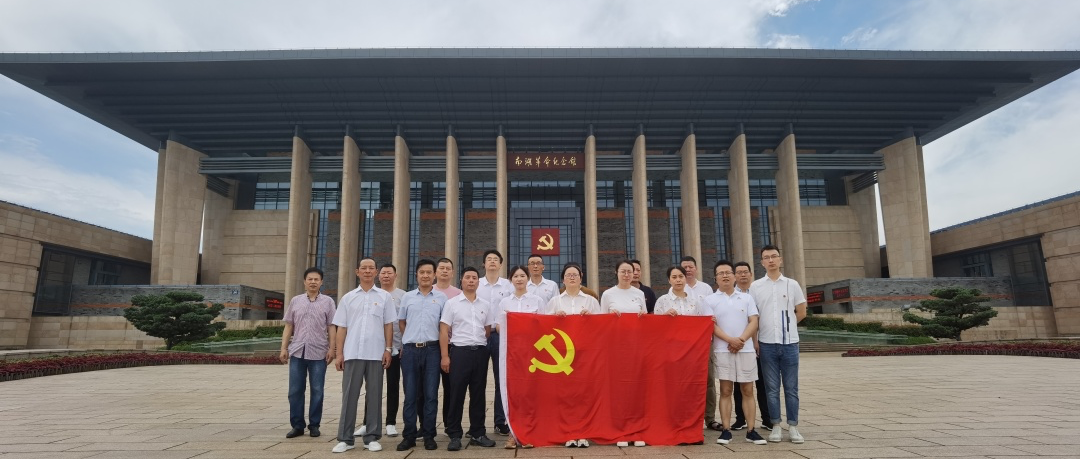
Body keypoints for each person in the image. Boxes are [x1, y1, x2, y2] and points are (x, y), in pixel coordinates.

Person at [332, 258, 396, 453]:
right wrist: (339, 353)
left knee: (374, 396)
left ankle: (372, 437)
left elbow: (388, 325)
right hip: (352, 353)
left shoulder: (385, 297)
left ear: (376, 272)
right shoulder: (348, 298)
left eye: (371, 268)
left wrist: (388, 349)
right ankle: (346, 438)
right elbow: (341, 327)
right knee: (349, 396)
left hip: (376, 354)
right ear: (357, 272)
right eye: (364, 268)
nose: (367, 271)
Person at [705, 260, 766, 446]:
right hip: (723, 350)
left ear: (734, 276)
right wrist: (730, 340)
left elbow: (754, 321)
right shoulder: (709, 300)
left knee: (748, 390)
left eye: (728, 272)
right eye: (720, 273)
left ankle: (751, 430)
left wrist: (741, 340)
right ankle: (726, 430)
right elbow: (711, 325)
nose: (725, 276)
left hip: (745, 350)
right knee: (725, 390)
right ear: (715, 278)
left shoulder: (746, 298)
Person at [749, 245, 807, 444]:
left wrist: (787, 327)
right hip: (766, 344)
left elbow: (801, 311)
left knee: (791, 388)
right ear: (762, 262)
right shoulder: (756, 287)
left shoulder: (792, 284)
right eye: (766, 257)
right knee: (771, 388)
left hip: (790, 343)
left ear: (780, 260)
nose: (771, 260)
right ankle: (775, 425)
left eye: (774, 256)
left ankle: (793, 426)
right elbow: (753, 316)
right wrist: (755, 341)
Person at [440, 267, 498, 451]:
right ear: (462, 281)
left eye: (474, 278)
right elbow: (444, 331)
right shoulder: (452, 304)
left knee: (478, 394)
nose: (471, 280)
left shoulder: (485, 305)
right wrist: (445, 356)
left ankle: (478, 433)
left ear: (478, 282)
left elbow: (487, 330)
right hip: (459, 353)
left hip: (480, 352)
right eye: (468, 277)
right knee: (456, 394)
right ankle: (454, 434)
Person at [543, 262, 600, 448]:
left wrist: (591, 318)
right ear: (563, 279)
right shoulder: (555, 302)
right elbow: (545, 328)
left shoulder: (591, 301)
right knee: (565, 394)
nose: (572, 277)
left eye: (575, 274)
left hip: (585, 354)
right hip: (562, 355)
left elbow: (601, 327)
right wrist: (555, 319)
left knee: (584, 393)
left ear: (581, 278)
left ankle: (583, 432)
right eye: (568, 275)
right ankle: (567, 432)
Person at [395, 259, 447, 452]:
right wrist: (409, 338)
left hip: (432, 350)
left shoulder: (442, 298)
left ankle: (429, 435)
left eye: (428, 272)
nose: (425, 275)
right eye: (422, 272)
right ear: (416, 275)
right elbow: (402, 322)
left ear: (434, 275)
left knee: (431, 395)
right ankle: (409, 435)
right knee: (410, 395)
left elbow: (443, 325)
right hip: (410, 351)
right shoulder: (408, 297)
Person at [280, 267, 337, 439]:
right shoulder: (295, 301)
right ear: (304, 282)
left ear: (321, 282)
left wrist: (332, 348)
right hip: (297, 351)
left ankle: (314, 425)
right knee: (295, 390)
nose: (313, 282)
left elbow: (331, 326)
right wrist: (284, 348)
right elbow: (289, 325)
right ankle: (297, 425)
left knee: (317, 390)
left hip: (319, 353)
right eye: (310, 279)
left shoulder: (328, 302)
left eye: (316, 279)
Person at [495, 265, 544, 449]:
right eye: (515, 276)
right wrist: (511, 322)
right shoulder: (504, 302)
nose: (519, 279)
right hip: (512, 354)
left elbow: (544, 325)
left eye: (522, 275)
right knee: (514, 392)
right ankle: (512, 434)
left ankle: (528, 433)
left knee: (530, 392)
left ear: (527, 278)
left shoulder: (537, 300)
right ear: (511, 280)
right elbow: (498, 327)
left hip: (533, 354)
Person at [355, 264, 405, 438]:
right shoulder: (372, 295)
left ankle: (391, 422)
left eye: (389, 273)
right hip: (374, 348)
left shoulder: (403, 296)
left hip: (395, 348)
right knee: (371, 387)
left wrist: (403, 344)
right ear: (378, 275)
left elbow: (404, 322)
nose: (386, 275)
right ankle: (366, 422)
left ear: (395, 275)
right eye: (383, 273)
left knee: (393, 385)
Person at [732, 261, 773, 432]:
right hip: (739, 345)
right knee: (738, 384)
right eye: (739, 272)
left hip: (760, 343)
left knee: (762, 383)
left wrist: (757, 341)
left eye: (745, 272)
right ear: (734, 275)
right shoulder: (730, 295)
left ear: (751, 274)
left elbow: (757, 320)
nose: (742, 275)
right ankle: (740, 418)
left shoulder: (758, 293)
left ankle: (767, 419)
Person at [476, 249, 513, 436]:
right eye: (488, 259)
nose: (492, 261)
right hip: (480, 335)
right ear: (484, 263)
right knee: (478, 380)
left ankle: (500, 421)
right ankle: (477, 424)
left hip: (500, 336)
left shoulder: (508, 285)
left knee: (501, 380)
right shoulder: (476, 283)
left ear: (500, 264)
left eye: (495, 259)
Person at [432, 257, 460, 425]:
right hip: (430, 345)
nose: (444, 271)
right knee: (429, 387)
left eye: (447, 268)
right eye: (441, 268)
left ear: (452, 273)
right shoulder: (429, 291)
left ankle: (449, 424)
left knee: (450, 387)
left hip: (451, 346)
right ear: (435, 272)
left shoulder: (458, 294)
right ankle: (427, 425)